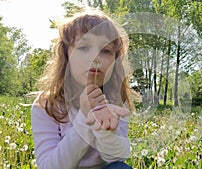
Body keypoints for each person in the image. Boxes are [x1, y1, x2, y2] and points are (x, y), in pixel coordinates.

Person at [31, 7, 135, 169]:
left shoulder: (115, 100)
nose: (95, 58)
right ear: (66, 56)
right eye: (84, 47)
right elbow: (47, 166)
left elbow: (118, 157)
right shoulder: (47, 104)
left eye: (106, 51)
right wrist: (84, 117)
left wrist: (106, 130)